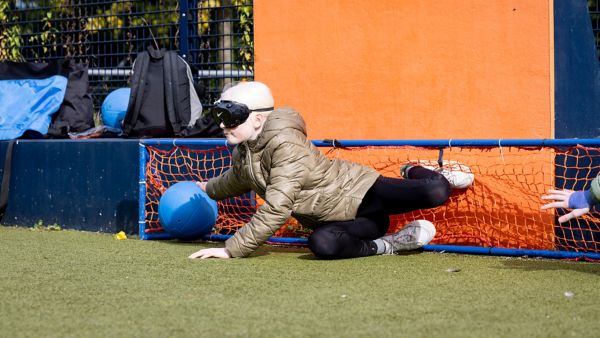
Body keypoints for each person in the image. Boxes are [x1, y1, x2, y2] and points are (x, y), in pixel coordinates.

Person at [189, 81, 473, 259]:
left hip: (361, 192)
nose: (224, 126)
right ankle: (391, 245)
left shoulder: (285, 144)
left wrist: (231, 249)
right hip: (350, 221)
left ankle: (415, 169)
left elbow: (277, 208)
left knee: (436, 191)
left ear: (258, 119)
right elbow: (237, 179)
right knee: (322, 244)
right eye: (220, 117)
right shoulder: (246, 152)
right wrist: (209, 188)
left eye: (230, 118)